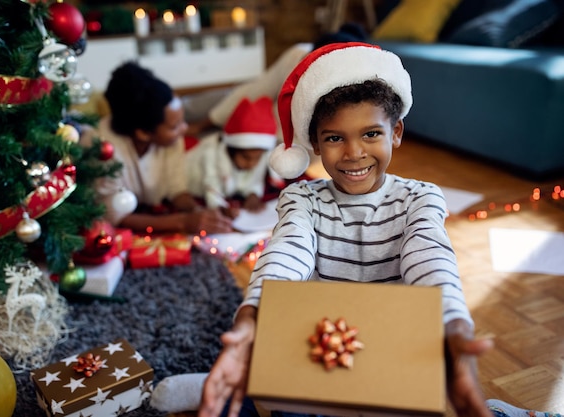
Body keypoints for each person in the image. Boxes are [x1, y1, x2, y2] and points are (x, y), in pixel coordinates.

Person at [198, 42, 495, 417]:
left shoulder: (420, 198)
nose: (354, 153)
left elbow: (431, 261)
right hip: (316, 347)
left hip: (393, 350)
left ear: (396, 132)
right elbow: (285, 256)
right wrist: (250, 319)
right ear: (317, 145)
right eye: (335, 138)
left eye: (371, 134)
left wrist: (454, 328)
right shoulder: (301, 198)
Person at [89, 61, 233, 234]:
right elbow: (115, 216)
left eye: (183, 119)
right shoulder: (103, 150)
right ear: (143, 133)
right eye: (174, 126)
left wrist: (201, 212)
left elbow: (176, 190)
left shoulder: (170, 141)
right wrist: (183, 222)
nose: (185, 128)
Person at [185, 23, 368, 140]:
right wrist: (202, 123)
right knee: (199, 104)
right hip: (256, 97)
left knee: (217, 141)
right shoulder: (298, 54)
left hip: (273, 132)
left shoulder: (347, 89)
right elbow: (255, 91)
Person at [186, 96, 277, 216]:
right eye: (246, 158)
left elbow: (255, 180)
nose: (252, 164)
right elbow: (211, 185)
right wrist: (221, 207)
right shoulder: (211, 154)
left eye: (257, 158)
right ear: (231, 150)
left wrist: (253, 194)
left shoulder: (260, 152)